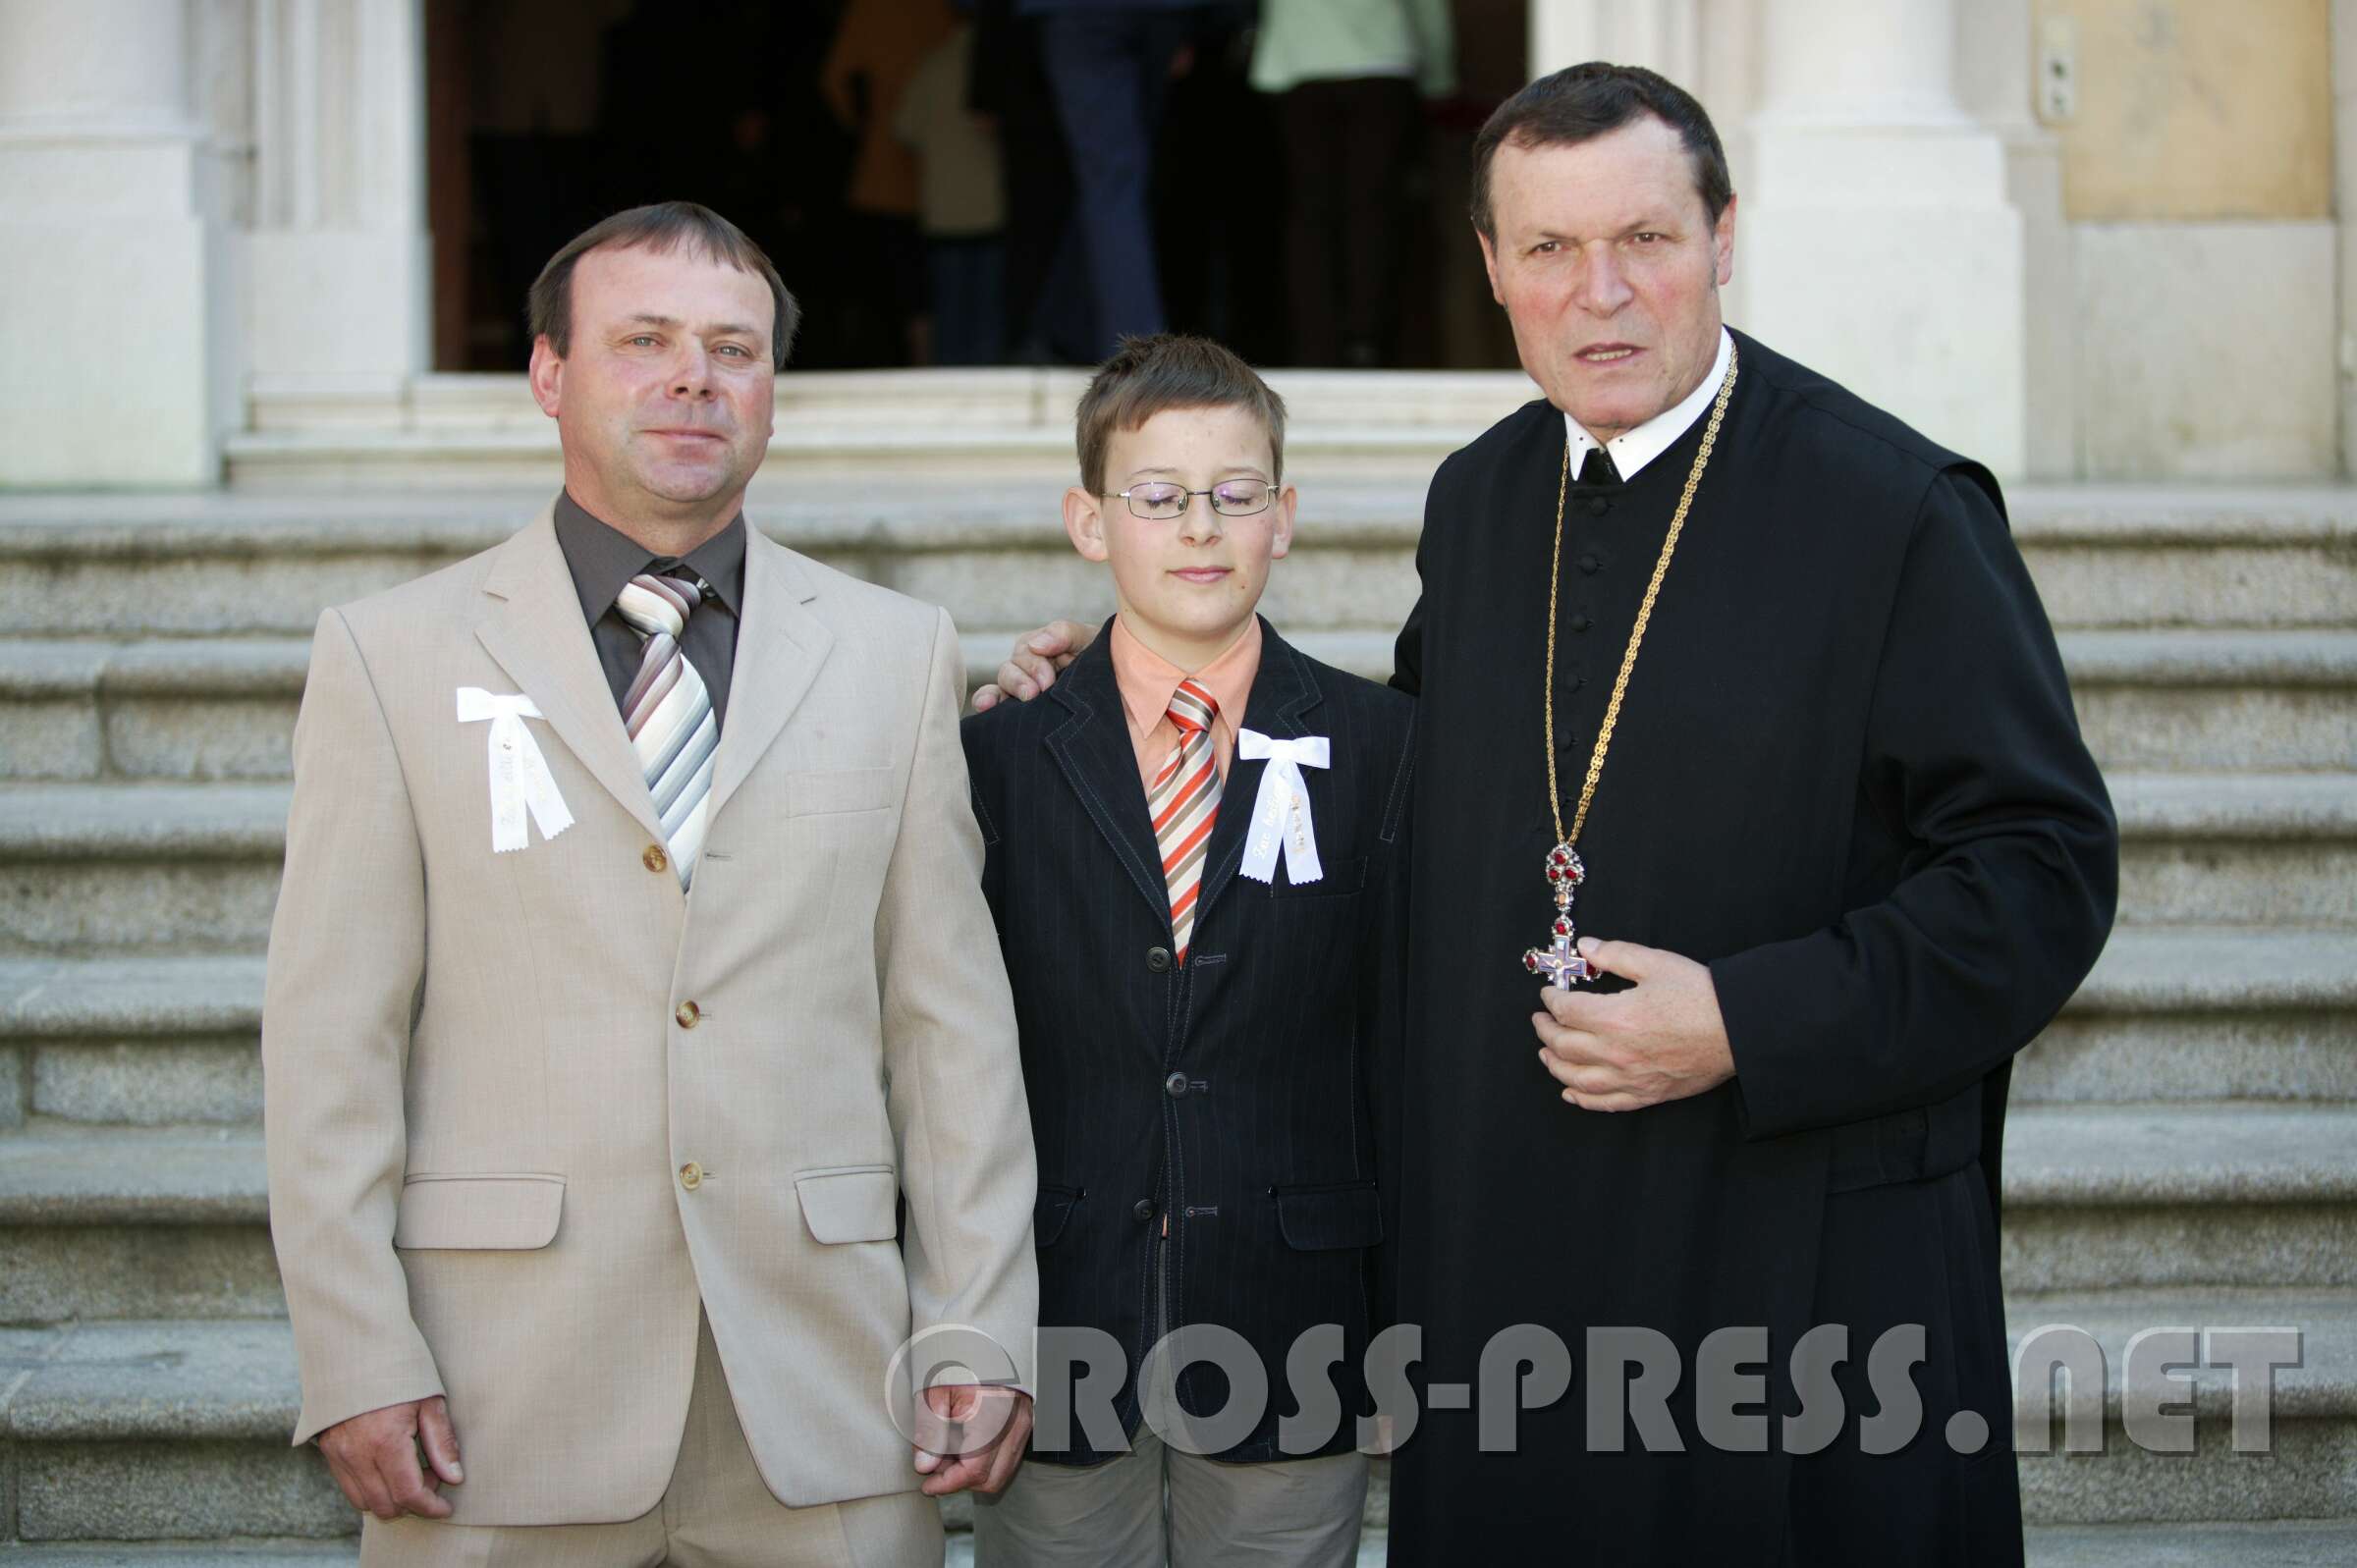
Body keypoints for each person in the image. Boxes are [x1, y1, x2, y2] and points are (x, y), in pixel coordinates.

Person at [972, 64, 2118, 1565]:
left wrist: (1748, 1020)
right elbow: (1401, 794)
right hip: (1518, 1250)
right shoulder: (1486, 497)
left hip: (1792, 1253)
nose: (1602, 294)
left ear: (1724, 237)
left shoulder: (1894, 508)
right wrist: (1112, 709)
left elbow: (2041, 870)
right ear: (1493, 269)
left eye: (1645, 239)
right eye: (1551, 249)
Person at [262, 201, 1038, 1567]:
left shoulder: (895, 649)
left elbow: (948, 1028)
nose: (695, 378)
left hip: (828, 1393)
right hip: (499, 1404)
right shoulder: (391, 655)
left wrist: (977, 1323)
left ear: (772, 392)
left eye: (733, 349)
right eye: (645, 341)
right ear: (549, 374)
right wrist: (355, 1350)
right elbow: (333, 1041)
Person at [961, 334, 1413, 1567]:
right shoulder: (997, 756)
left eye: (1235, 494)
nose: (1201, 527)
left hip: (1296, 1320)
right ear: (1090, 522)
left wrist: (1399, 1330)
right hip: (1059, 1317)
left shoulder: (1385, 747)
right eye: (1158, 497)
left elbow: (1403, 1055)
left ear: (1285, 518)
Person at [1251, 0, 1455, 366]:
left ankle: (1316, 345)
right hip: (1381, 61)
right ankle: (1368, 342)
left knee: (1311, 214)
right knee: (1373, 209)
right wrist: (1440, 79)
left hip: (1300, 58)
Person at [1021, 0, 1202, 354]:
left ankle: (1136, 354)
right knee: (1122, 176)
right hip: (1165, 11)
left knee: (1112, 180)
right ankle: (1067, 327)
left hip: (1080, 13)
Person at [895, 22, 1010, 366]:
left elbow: (904, 128)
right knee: (989, 319)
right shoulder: (998, 64)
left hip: (944, 212)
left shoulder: (932, 65)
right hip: (991, 211)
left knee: (949, 319)